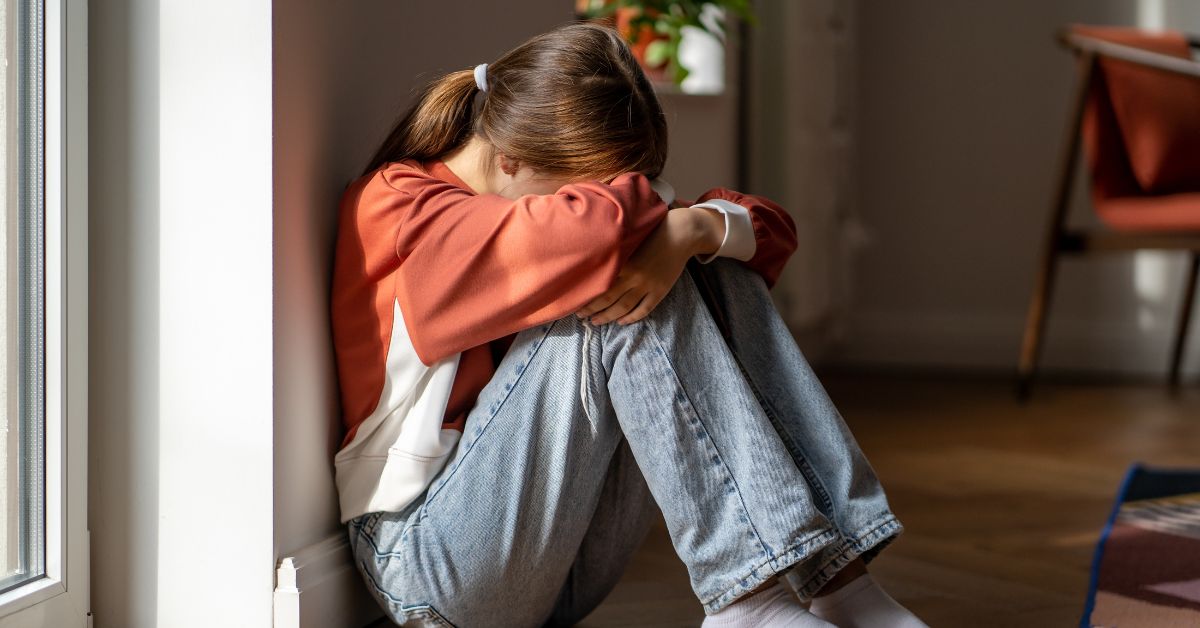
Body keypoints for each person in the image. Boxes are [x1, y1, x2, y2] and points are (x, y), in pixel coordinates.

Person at [331, 21, 927, 628]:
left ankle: (840, 584)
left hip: (555, 567)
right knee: (622, 284)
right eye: (592, 188)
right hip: (428, 568)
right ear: (509, 158)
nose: (611, 198)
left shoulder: (536, 208)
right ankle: (749, 601)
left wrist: (693, 231)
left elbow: (771, 233)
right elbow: (593, 232)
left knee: (697, 263)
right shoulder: (403, 209)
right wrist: (671, 221)